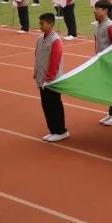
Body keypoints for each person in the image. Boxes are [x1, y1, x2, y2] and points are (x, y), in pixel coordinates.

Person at [34, 12, 69, 142]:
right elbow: (37, 56)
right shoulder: (39, 39)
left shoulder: (55, 40)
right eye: (40, 23)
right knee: (46, 105)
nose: (40, 26)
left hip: (52, 80)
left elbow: (55, 60)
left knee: (54, 104)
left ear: (51, 24)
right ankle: (53, 130)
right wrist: (36, 72)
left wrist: (49, 78)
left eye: (42, 23)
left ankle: (61, 130)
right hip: (42, 78)